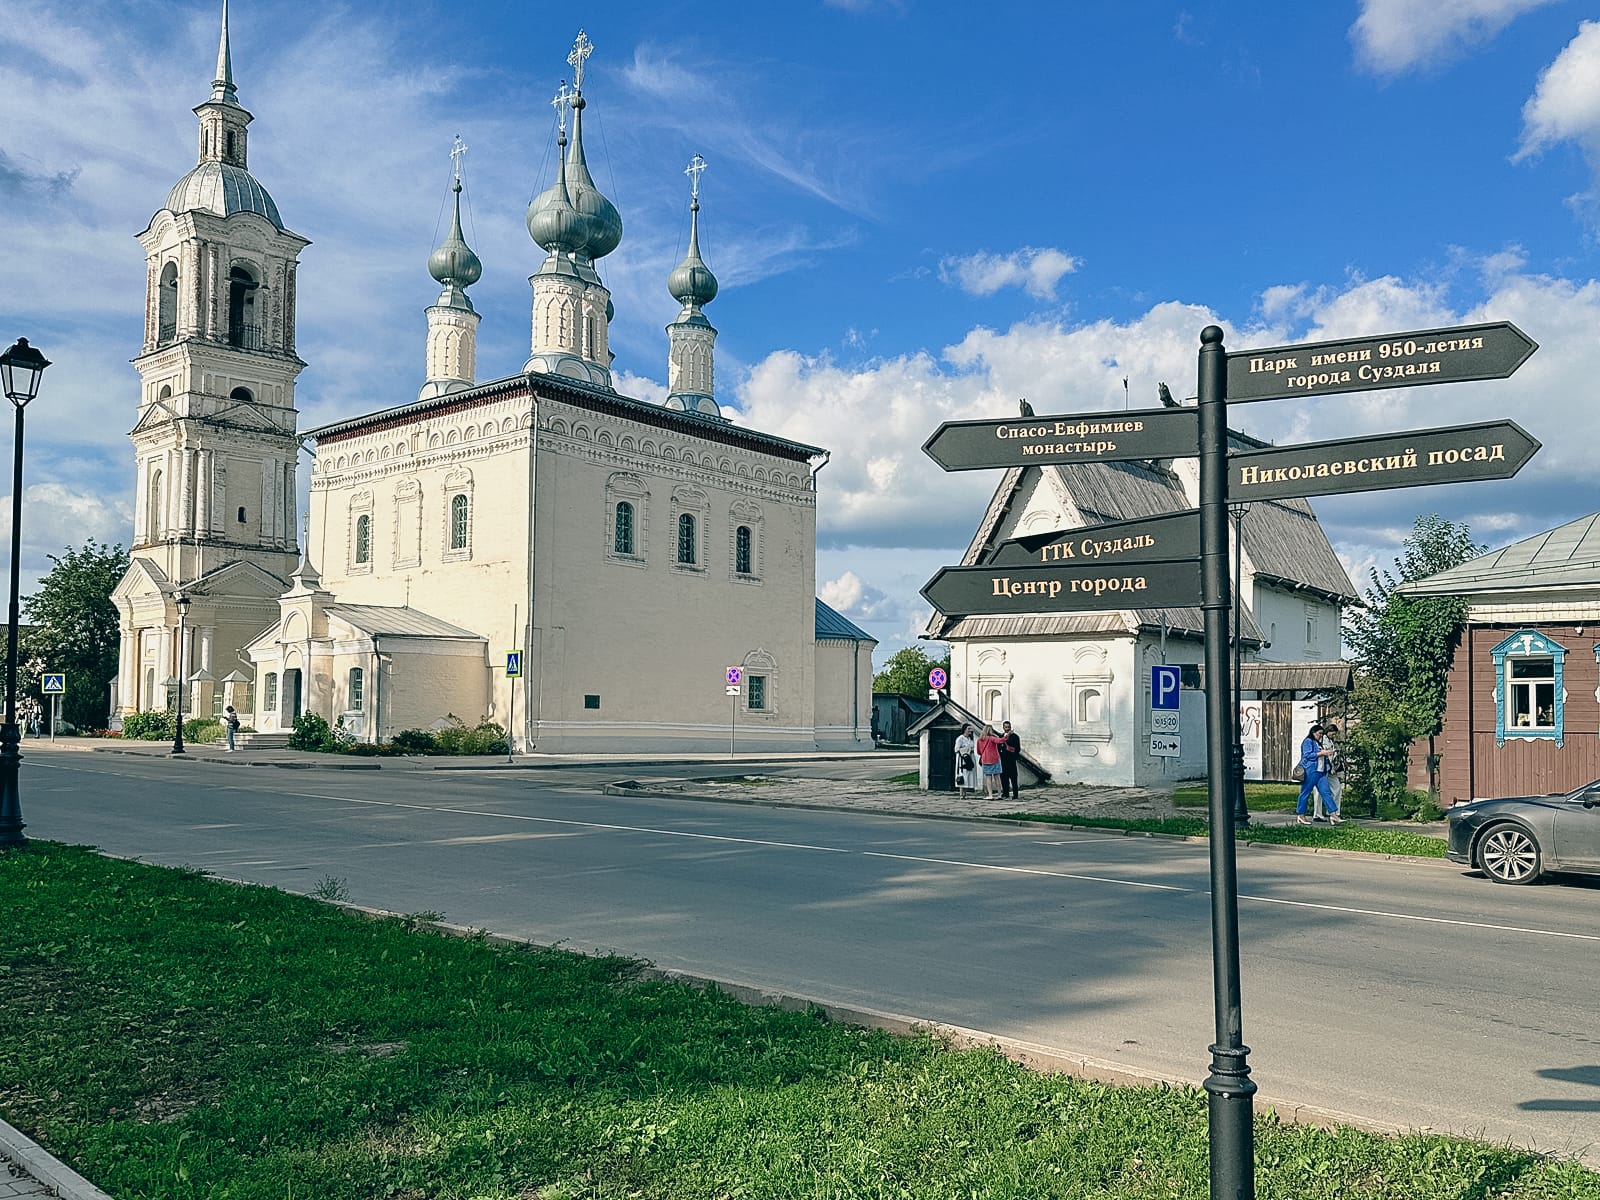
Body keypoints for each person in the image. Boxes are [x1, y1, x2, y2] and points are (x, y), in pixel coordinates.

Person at [1296, 722, 1340, 825]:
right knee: (1305, 793)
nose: (1320, 735)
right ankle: (1301, 815)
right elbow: (1307, 755)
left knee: (1326, 793)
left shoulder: (1318, 743)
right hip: (1310, 771)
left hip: (1320, 772)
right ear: (1313, 732)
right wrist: (1322, 753)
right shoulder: (1308, 741)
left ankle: (1333, 814)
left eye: (1321, 733)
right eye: (1319, 733)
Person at [1318, 723, 1344, 815]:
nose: (1334, 736)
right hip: (1323, 767)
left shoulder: (1330, 741)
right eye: (1332, 734)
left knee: (1337, 788)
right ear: (1328, 731)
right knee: (1319, 791)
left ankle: (1334, 812)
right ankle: (1318, 814)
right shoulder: (1322, 739)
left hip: (1331, 768)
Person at [976, 724, 1003, 799]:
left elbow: (978, 751)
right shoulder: (992, 738)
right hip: (995, 759)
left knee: (988, 778)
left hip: (985, 760)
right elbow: (1001, 741)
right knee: (997, 777)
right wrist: (1007, 736)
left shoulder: (979, 740)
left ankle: (990, 795)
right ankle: (999, 794)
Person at [953, 724, 978, 798]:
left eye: (970, 729)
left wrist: (971, 751)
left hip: (969, 758)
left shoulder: (970, 739)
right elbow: (956, 749)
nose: (970, 730)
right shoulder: (960, 738)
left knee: (968, 774)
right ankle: (961, 793)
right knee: (963, 774)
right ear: (965, 729)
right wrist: (965, 750)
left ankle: (965, 793)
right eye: (968, 728)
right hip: (963, 758)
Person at [999, 720, 1021, 800]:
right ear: (1003, 727)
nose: (1007, 729)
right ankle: (1005, 793)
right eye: (1006, 727)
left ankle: (1015, 794)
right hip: (1003, 760)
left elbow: (1018, 748)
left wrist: (1012, 752)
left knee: (1013, 778)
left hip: (1011, 760)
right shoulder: (1000, 736)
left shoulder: (1015, 736)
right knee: (1004, 778)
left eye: (1008, 727)